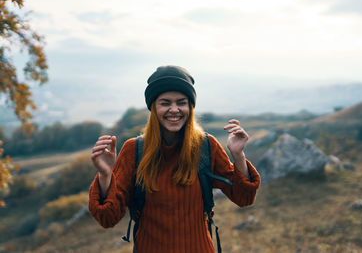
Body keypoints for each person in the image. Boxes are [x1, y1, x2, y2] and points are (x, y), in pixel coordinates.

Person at [88, 65, 261, 253]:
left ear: (190, 106)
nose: (174, 109)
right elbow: (108, 218)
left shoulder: (205, 146)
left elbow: (244, 197)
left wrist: (238, 156)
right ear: (153, 107)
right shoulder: (134, 150)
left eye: (181, 102)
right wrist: (105, 175)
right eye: (165, 103)